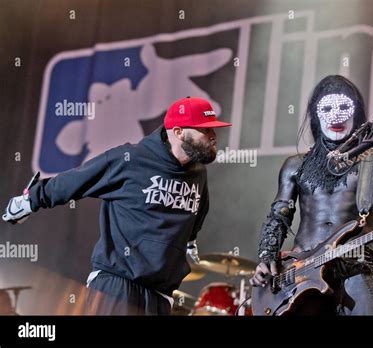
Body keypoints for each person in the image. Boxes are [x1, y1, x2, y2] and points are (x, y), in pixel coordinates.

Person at [3, 96, 231, 315]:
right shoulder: (131, 159)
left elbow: (199, 211)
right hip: (118, 285)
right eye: (204, 129)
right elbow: (75, 180)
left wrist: (190, 239)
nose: (212, 136)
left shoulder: (199, 173)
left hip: (160, 294)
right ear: (179, 132)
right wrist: (29, 201)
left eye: (213, 129)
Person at [249, 75, 373, 315]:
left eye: (344, 107)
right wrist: (266, 257)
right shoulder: (296, 165)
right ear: (316, 113)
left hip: (354, 265)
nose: (336, 116)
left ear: (356, 113)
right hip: (303, 272)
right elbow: (278, 216)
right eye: (327, 108)